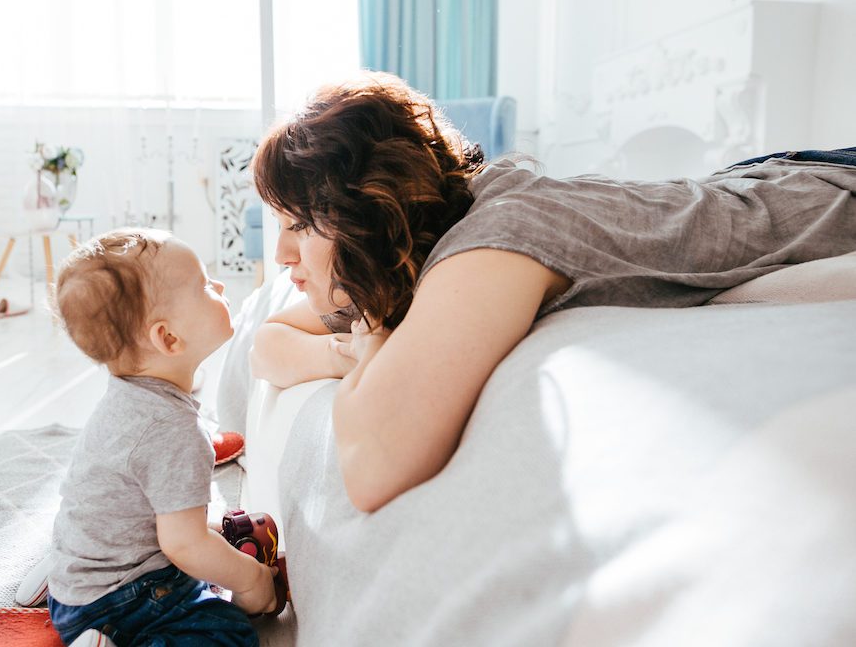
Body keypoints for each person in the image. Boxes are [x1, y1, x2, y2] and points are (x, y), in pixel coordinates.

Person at [248, 70, 856, 514]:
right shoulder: (419, 246)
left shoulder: (492, 243)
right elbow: (266, 345)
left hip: (826, 190)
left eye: (300, 226)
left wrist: (374, 347)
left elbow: (373, 464)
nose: (282, 258)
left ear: (372, 214)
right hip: (759, 175)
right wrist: (341, 353)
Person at [47, 228, 276, 647]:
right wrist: (252, 579)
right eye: (205, 285)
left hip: (78, 581)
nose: (220, 286)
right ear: (168, 338)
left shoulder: (127, 398)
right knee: (228, 633)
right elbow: (184, 545)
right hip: (119, 600)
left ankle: (65, 595)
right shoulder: (172, 432)